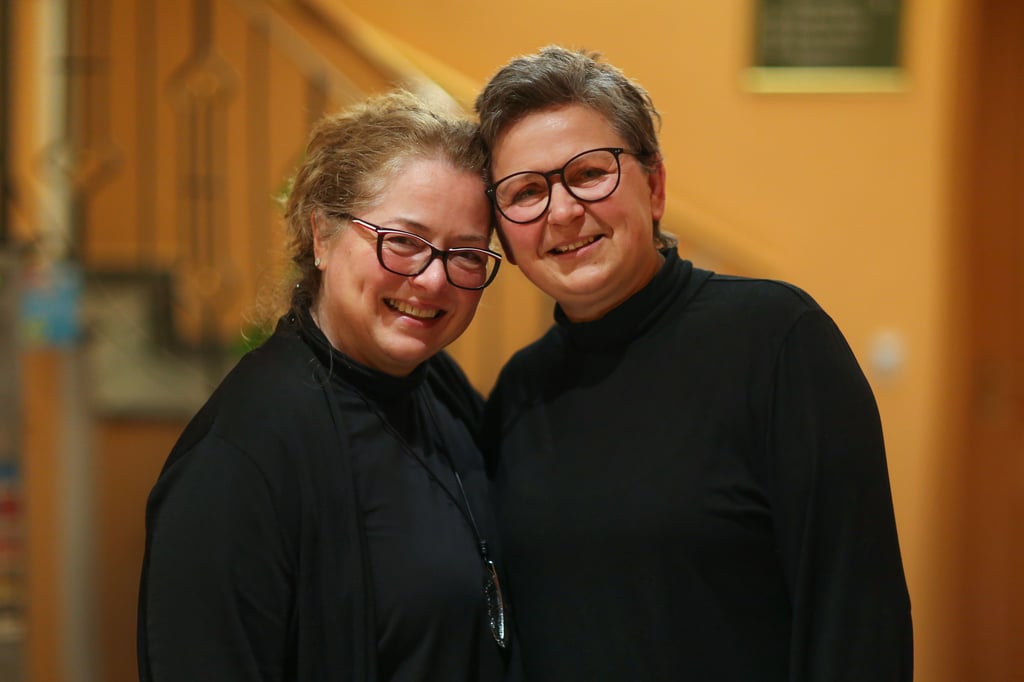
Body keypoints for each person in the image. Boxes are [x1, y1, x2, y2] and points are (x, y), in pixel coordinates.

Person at [476, 46, 912, 681]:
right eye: (527, 191)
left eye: (590, 173)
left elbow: (855, 617)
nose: (563, 211)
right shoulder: (518, 391)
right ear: (505, 239)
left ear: (654, 187)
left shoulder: (778, 341)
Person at [137, 90, 515, 681]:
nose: (434, 279)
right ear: (321, 237)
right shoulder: (240, 455)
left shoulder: (436, 387)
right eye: (405, 242)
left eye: (466, 253)